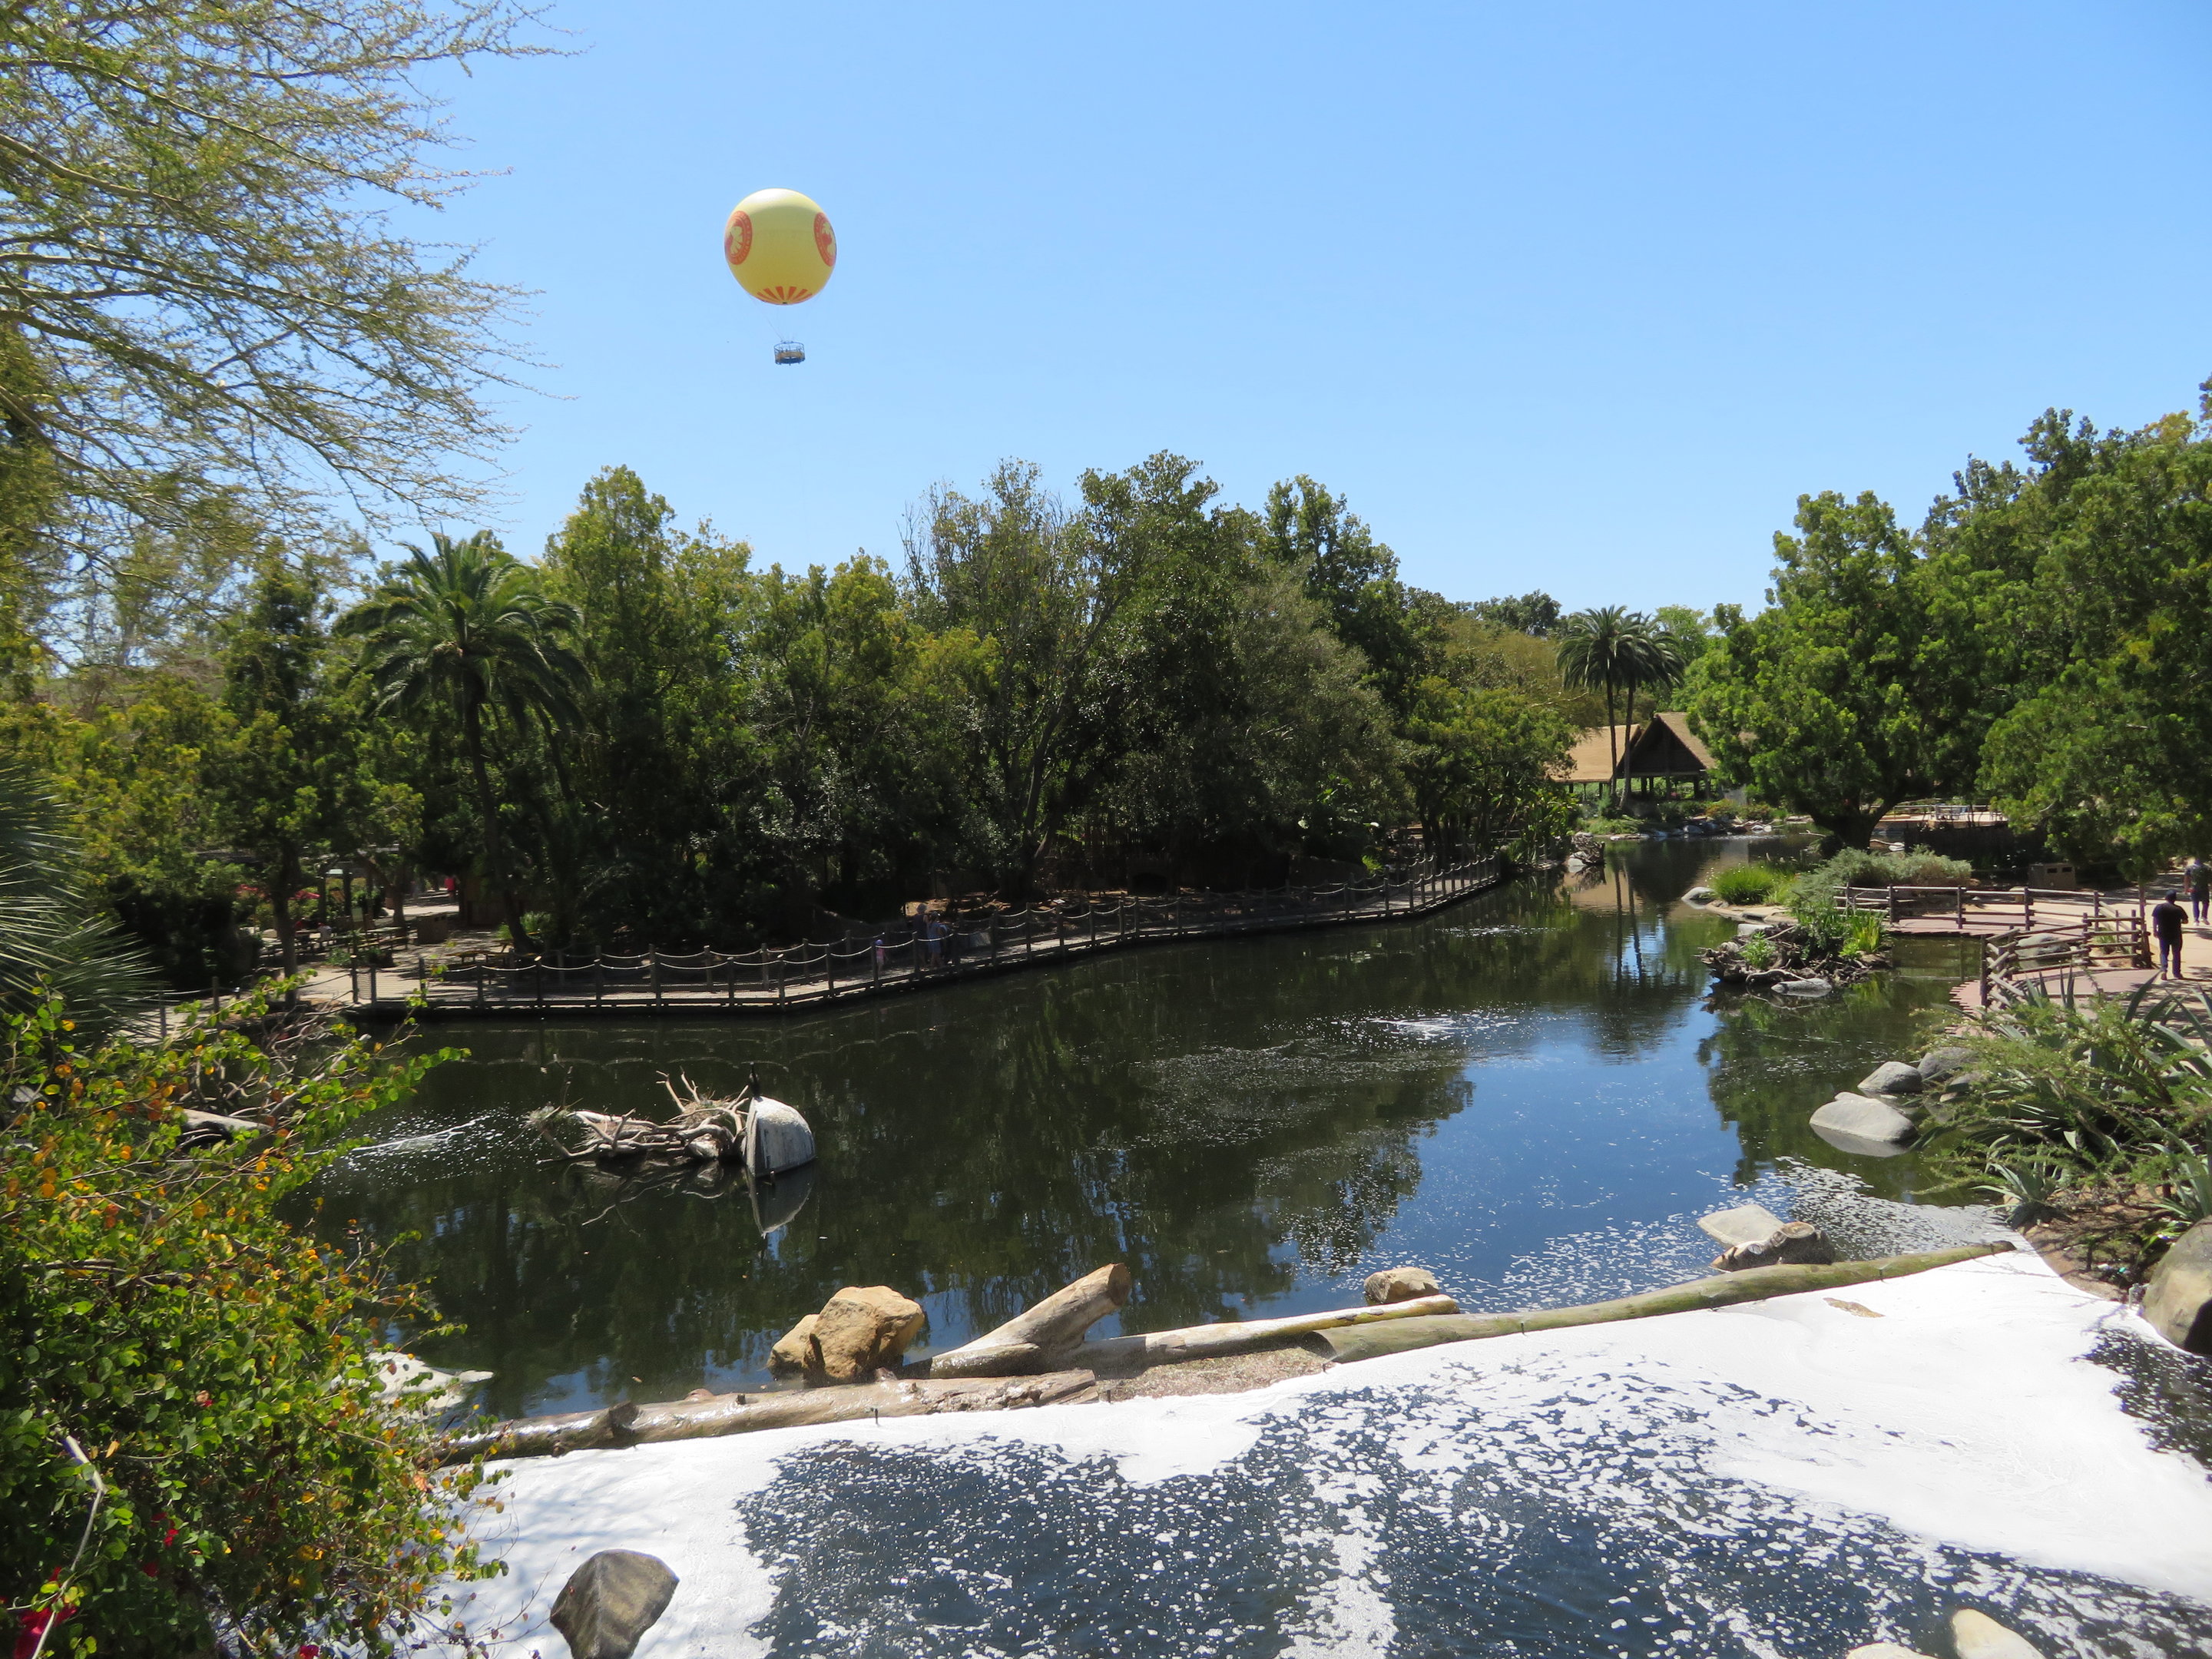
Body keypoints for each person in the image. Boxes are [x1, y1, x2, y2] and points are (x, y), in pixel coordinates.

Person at [2153, 889, 2189, 977]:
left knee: (2164, 952)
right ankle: (2176, 973)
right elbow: (2186, 921)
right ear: (2175, 899)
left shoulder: (2159, 907)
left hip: (2163, 933)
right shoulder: (2178, 909)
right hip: (2176, 934)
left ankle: (2164, 970)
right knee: (2176, 953)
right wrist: (2181, 922)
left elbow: (2155, 919)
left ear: (2166, 898)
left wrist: (2155, 930)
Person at [2190, 857, 2210, 924]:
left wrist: (2186, 888)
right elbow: (2210, 879)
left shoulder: (2190, 868)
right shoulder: (2207, 868)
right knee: (2205, 903)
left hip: (2194, 888)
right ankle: (2204, 917)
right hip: (2204, 887)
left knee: (2195, 903)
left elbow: (2186, 879)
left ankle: (2196, 920)